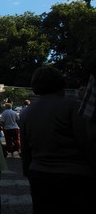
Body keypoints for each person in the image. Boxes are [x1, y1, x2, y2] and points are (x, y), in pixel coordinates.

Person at [20, 66, 96, 214]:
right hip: (75, 175)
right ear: (61, 83)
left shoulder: (27, 112)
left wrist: (28, 171)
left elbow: (25, 147)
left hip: (39, 174)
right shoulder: (73, 106)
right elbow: (86, 143)